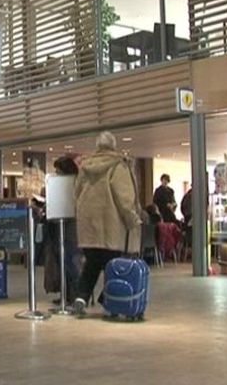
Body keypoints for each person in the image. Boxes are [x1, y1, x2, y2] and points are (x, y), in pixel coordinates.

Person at [73, 131, 142, 316]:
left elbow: (77, 193)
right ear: (113, 145)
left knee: (91, 265)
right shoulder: (118, 166)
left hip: (88, 227)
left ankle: (80, 297)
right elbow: (124, 197)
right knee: (115, 267)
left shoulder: (85, 167)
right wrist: (132, 219)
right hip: (112, 226)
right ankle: (110, 300)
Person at [47, 156, 82, 306]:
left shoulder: (75, 185)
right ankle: (67, 295)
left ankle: (75, 296)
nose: (56, 173)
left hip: (71, 229)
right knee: (63, 262)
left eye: (59, 170)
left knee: (71, 263)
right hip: (61, 227)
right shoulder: (65, 185)